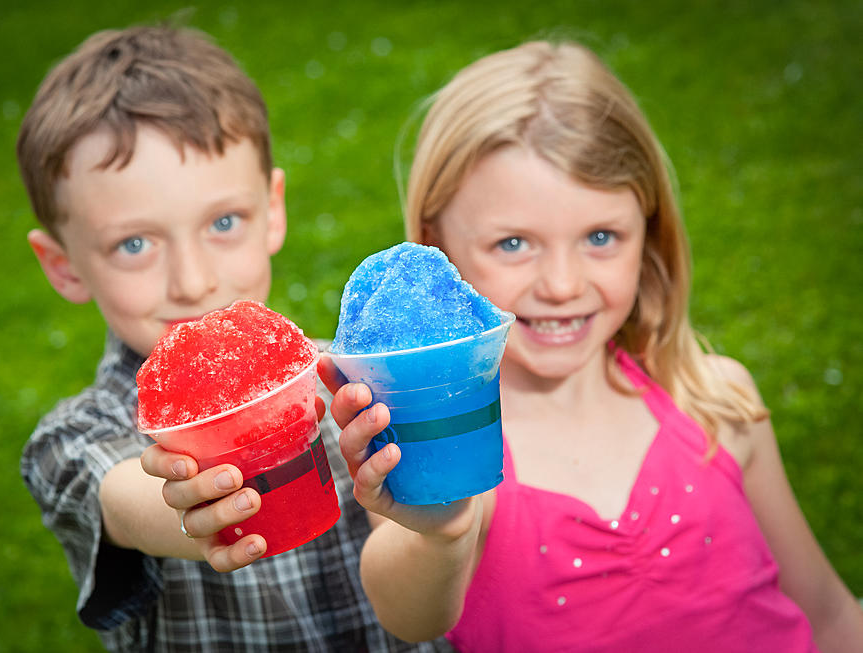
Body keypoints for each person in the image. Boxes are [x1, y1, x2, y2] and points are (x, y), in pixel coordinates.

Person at [319, 41, 863, 652]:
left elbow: (830, 615)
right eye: (514, 243)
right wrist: (443, 534)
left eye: (600, 236)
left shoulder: (716, 401)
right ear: (434, 250)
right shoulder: (437, 437)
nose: (562, 285)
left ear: (648, 234)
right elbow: (410, 617)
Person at [18, 23, 452, 652]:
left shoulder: (353, 379)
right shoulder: (73, 438)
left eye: (223, 222)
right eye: (134, 244)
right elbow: (122, 494)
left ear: (272, 209)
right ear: (64, 265)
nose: (194, 282)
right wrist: (187, 501)